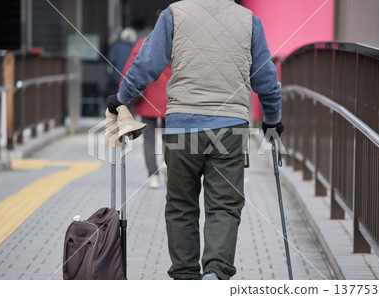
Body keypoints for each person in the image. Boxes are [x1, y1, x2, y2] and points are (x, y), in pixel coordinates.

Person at [107, 0, 284, 280]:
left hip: (182, 127)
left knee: (181, 205)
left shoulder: (174, 14)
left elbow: (147, 63)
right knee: (224, 205)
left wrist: (121, 98)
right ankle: (215, 272)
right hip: (230, 127)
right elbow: (265, 77)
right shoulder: (249, 21)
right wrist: (272, 119)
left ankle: (185, 277)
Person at [120, 37, 172, 189]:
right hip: (170, 98)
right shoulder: (174, 42)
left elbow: (130, 69)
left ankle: (153, 177)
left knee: (149, 140)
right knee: (169, 138)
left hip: (147, 98)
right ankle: (167, 164)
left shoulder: (143, 43)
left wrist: (122, 94)